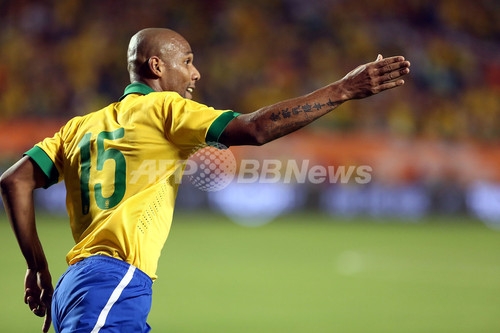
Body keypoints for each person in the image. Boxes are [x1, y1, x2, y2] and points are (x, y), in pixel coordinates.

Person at [0, 28, 410, 332]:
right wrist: (342, 90)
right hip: (113, 280)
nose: (196, 73)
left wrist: (37, 266)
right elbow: (256, 129)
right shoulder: (165, 110)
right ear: (156, 66)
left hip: (78, 283)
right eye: (188, 61)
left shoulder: (80, 127)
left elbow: (14, 180)